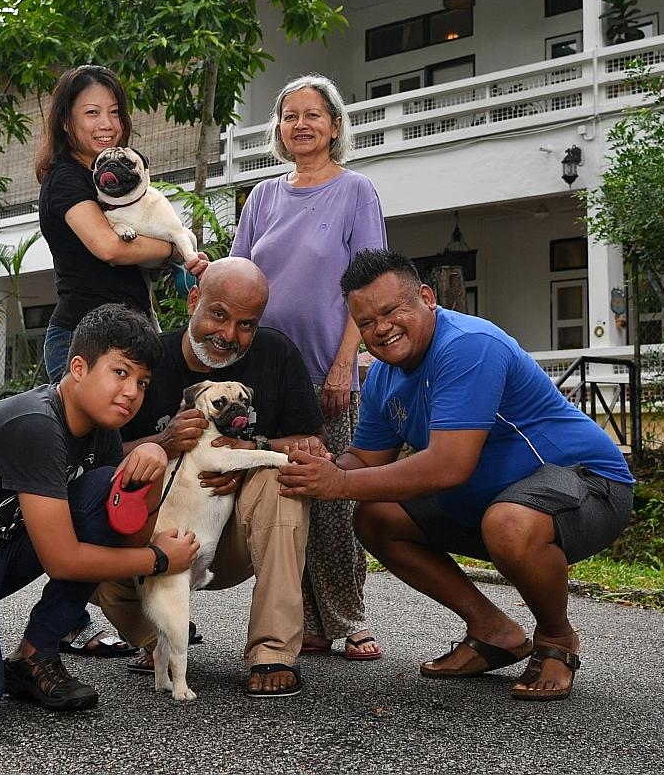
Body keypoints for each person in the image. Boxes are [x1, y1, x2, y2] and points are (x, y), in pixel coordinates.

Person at [278, 249, 635, 702]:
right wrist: (315, 467)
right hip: (493, 500)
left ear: (426, 297)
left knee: (509, 523)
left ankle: (557, 640)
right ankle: (493, 632)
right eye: (366, 323)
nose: (381, 329)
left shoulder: (468, 344)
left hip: (588, 481)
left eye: (392, 311)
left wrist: (341, 484)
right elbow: (365, 462)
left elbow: (449, 465)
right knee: (376, 517)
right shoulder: (385, 376)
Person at [0, 304, 199, 727]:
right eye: (120, 373)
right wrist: (160, 559)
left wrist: (153, 461)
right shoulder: (34, 424)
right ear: (79, 367)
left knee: (108, 490)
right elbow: (65, 560)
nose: (132, 392)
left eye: (142, 382)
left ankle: (34, 654)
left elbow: (122, 537)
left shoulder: (102, 433)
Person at [33, 63, 209, 657]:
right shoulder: (66, 181)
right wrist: (178, 250)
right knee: (80, 477)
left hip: (130, 342)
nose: (106, 124)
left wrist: (169, 252)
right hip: (82, 345)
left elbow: (137, 242)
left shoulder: (117, 180)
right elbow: (110, 247)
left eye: (113, 112)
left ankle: (139, 607)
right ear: (65, 122)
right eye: (91, 113)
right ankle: (69, 619)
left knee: (122, 473)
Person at [93, 257, 327, 699]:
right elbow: (99, 458)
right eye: (219, 315)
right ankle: (156, 638)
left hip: (236, 534)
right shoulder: (147, 361)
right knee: (100, 517)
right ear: (194, 299)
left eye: (247, 324)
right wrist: (161, 441)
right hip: (158, 536)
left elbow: (309, 442)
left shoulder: (276, 354)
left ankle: (272, 652)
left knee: (281, 479)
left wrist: (248, 456)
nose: (229, 336)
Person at [230, 73, 387, 661]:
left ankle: (349, 617)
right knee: (285, 495)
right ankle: (307, 622)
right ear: (278, 129)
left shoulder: (356, 191)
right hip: (265, 373)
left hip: (328, 367)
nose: (301, 124)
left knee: (335, 495)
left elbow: (367, 286)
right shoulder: (263, 198)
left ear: (335, 125)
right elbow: (239, 275)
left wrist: (347, 361)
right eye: (290, 115)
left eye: (313, 115)